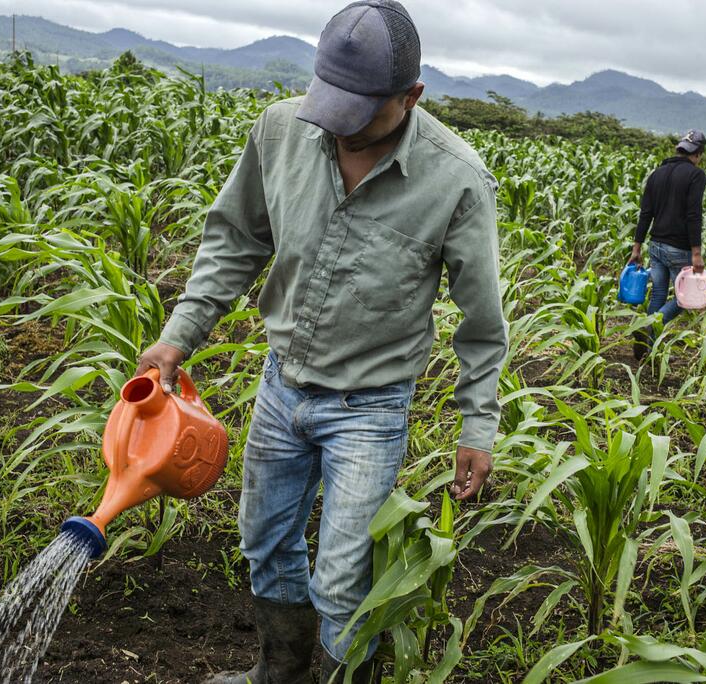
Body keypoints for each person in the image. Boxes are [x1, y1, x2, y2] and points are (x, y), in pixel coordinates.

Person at [133, 2, 509, 682]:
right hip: (283, 386)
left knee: (343, 583)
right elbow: (235, 240)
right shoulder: (280, 131)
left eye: (359, 112)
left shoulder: (455, 179)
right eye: (328, 105)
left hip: (369, 407)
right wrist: (177, 336)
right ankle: (276, 675)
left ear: (410, 97)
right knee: (265, 543)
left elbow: (482, 322)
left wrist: (477, 425)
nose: (338, 127)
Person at [629, 129, 706, 360]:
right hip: (678, 248)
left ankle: (651, 350)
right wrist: (696, 253)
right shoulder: (696, 175)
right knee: (685, 299)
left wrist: (637, 247)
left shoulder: (658, 173)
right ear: (698, 154)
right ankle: (650, 326)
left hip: (655, 245)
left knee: (658, 295)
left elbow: (646, 213)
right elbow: (694, 215)